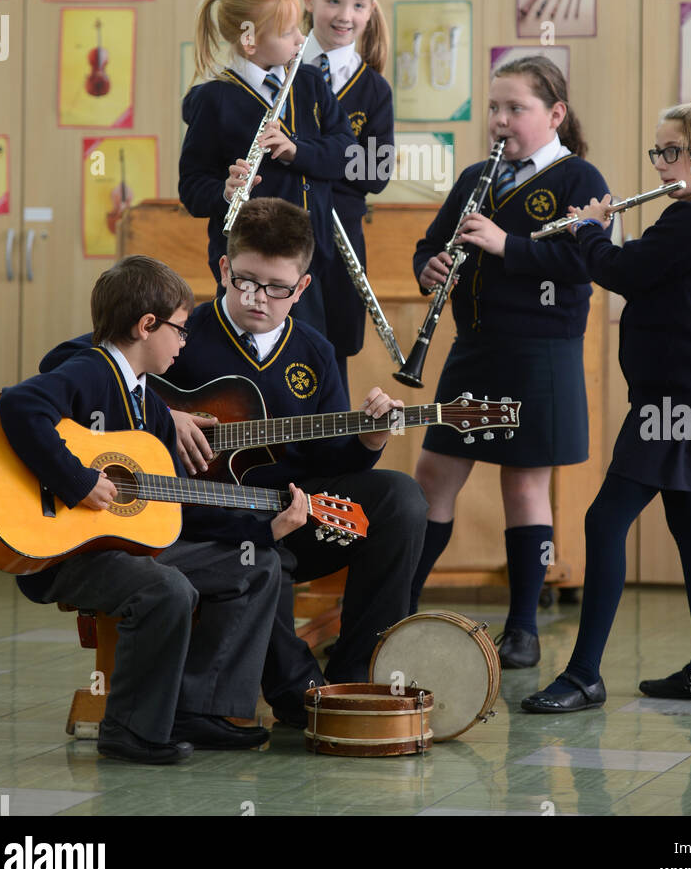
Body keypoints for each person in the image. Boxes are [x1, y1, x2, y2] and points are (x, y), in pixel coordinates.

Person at [39, 202, 428, 730]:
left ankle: (359, 677)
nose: (258, 299)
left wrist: (368, 437)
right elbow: (66, 362)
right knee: (257, 557)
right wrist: (164, 413)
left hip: (289, 510)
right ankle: (302, 695)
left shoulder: (315, 350)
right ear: (223, 268)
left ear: (304, 286)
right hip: (204, 522)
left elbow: (325, 459)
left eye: (277, 288)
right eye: (245, 280)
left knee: (400, 499)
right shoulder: (179, 330)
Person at [0, 256, 306, 764]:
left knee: (256, 566)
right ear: (146, 326)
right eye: (180, 331)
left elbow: (179, 504)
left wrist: (265, 527)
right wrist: (77, 481)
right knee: (165, 588)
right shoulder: (91, 370)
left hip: (127, 545)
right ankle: (129, 731)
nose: (184, 343)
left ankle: (199, 709)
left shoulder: (153, 407)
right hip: (66, 552)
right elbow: (18, 406)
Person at [522, 102, 691, 713]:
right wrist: (601, 232)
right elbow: (649, 273)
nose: (660, 162)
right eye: (658, 151)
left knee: (603, 521)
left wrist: (590, 229)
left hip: (671, 399)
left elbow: (622, 272)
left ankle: (585, 675)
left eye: (670, 151)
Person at [407, 55, 610, 669]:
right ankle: (394, 606)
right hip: (475, 348)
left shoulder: (580, 179)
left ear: (554, 114)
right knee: (433, 475)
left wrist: (506, 246)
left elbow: (584, 264)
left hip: (540, 351)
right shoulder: (476, 176)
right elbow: (430, 242)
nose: (500, 120)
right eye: (494, 108)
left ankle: (523, 628)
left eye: (515, 109)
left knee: (524, 484)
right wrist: (428, 267)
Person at [178, 0, 354, 333]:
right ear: (249, 40)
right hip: (249, 268)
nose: (300, 39)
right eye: (287, 31)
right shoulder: (215, 100)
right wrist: (223, 192)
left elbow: (346, 153)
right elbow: (192, 186)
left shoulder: (308, 84)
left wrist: (296, 151)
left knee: (307, 363)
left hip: (310, 262)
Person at [301, 0, 395, 391]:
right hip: (282, 231)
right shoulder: (278, 72)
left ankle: (327, 457)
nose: (345, 16)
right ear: (308, 1)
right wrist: (339, 157)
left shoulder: (374, 89)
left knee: (332, 352)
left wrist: (302, 157)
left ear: (370, 11)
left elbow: (375, 174)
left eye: (358, 6)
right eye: (333, 2)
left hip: (342, 244)